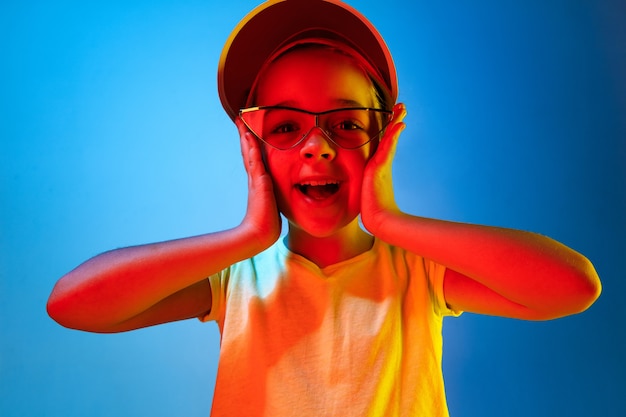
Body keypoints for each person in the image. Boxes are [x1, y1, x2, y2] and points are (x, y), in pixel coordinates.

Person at [46, 1, 602, 416]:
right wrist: (245, 237)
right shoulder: (235, 279)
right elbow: (73, 305)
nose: (318, 145)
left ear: (384, 140)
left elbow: (573, 287)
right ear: (252, 148)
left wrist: (390, 221)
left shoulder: (419, 270)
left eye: (346, 124)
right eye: (286, 126)